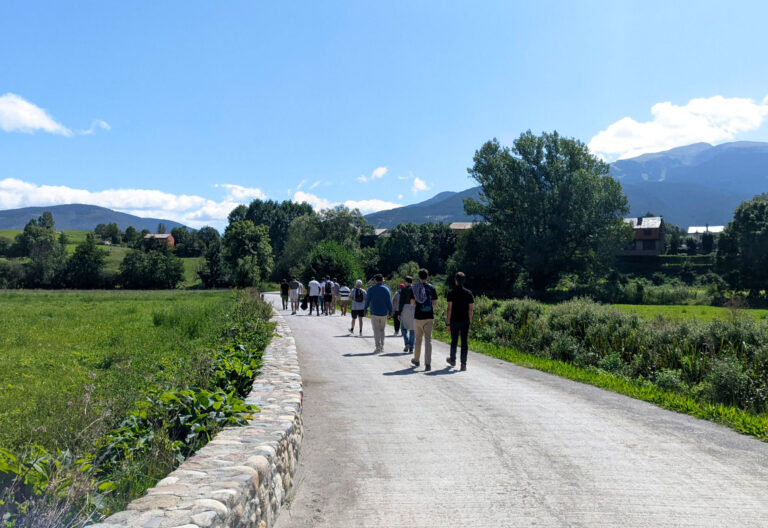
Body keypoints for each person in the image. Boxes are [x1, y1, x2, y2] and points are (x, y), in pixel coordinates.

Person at [446, 271, 474, 371]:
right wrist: (470, 321)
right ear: (463, 281)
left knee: (454, 341)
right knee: (464, 342)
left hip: (454, 320)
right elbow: (471, 309)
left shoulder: (451, 293)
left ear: (455, 280)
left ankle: (452, 360)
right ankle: (463, 364)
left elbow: (449, 309)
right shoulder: (469, 293)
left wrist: (447, 323)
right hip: (465, 320)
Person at [410, 268, 438, 371]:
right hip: (429, 317)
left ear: (418, 277)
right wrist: (430, 310)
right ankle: (428, 364)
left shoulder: (415, 288)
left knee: (418, 340)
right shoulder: (432, 288)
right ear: (427, 277)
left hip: (418, 317)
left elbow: (412, 303)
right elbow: (435, 303)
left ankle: (416, 360)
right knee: (428, 340)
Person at [365, 274, 392, 354]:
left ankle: (378, 347)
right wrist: (390, 311)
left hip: (374, 312)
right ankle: (382, 346)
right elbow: (389, 302)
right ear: (382, 280)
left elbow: (367, 300)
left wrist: (365, 309)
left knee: (376, 329)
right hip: (384, 313)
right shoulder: (386, 289)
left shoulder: (371, 289)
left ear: (375, 280)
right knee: (382, 330)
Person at [399, 276, 415, 353]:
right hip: (414, 308)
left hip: (405, 308)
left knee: (403, 328)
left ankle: (407, 343)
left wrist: (399, 313)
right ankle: (411, 347)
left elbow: (401, 302)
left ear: (406, 281)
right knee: (412, 329)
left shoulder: (403, 289)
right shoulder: (415, 289)